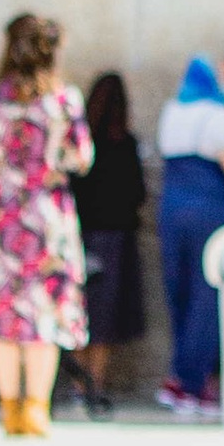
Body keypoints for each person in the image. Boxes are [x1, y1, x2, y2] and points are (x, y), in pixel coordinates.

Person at [0, 14, 92, 439]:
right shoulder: (64, 102)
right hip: (46, 217)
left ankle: (9, 408)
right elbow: (81, 157)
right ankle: (37, 408)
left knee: (4, 317)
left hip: (1, 216)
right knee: (43, 317)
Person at [156, 54, 224, 410]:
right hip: (210, 212)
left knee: (181, 294)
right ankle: (191, 383)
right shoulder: (222, 118)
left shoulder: (172, 112)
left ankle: (181, 378)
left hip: (172, 209)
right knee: (209, 297)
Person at [72, 70, 146, 413]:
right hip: (114, 239)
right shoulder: (124, 144)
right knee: (104, 316)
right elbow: (137, 193)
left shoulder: (82, 144)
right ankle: (94, 383)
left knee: (79, 311)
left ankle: (77, 383)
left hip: (78, 235)